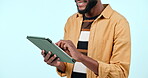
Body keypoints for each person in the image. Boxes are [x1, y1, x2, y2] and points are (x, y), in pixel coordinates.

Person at [41, 0, 131, 78]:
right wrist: (59, 64)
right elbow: (73, 68)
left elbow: (121, 73)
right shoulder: (71, 21)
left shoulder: (118, 23)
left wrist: (81, 57)